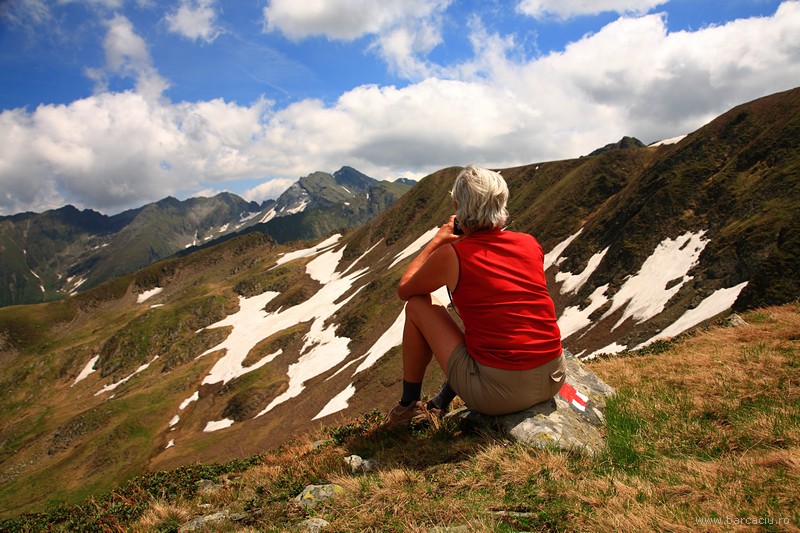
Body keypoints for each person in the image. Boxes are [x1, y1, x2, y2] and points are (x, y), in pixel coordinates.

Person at [385, 164, 565, 427]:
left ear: (458, 207)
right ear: (501, 203)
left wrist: (437, 241)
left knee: (417, 304)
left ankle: (408, 407)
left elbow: (405, 288)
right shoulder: (529, 243)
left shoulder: (453, 255)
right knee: (493, 325)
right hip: (554, 377)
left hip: (500, 396)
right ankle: (440, 402)